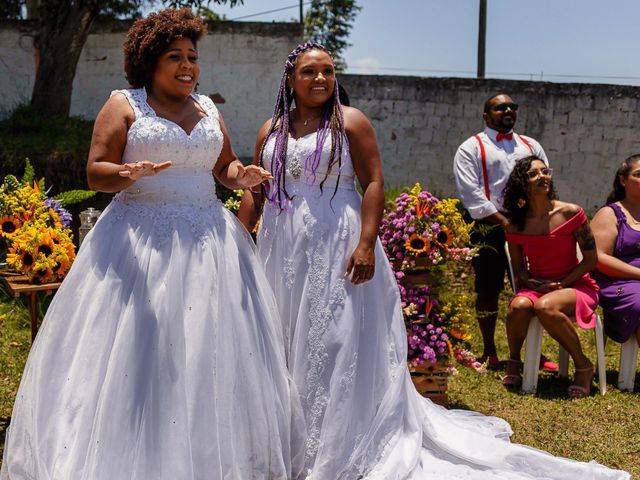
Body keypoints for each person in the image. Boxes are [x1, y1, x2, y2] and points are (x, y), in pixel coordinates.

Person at [239, 41, 630, 479]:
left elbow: (372, 183)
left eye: (328, 71)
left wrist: (367, 243)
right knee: (286, 335)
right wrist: (239, 237)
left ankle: (339, 437)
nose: (320, 80)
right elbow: (258, 189)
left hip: (337, 240)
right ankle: (290, 433)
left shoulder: (350, 122)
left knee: (335, 337)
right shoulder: (270, 128)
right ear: (290, 79)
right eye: (310, 72)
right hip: (282, 246)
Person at [1, 9, 302, 479]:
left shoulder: (208, 109)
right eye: (174, 57)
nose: (187, 66)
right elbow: (94, 170)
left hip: (210, 245)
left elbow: (223, 167)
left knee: (208, 353)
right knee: (141, 352)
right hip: (138, 244)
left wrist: (241, 176)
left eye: (192, 58)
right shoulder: (124, 104)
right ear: (150, 61)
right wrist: (124, 174)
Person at [453, 94, 557, 371]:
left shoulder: (531, 145)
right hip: (488, 225)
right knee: (488, 287)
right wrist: (502, 222)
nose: (508, 110)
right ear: (486, 116)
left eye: (512, 106)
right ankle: (489, 350)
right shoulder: (471, 148)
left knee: (529, 287)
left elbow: (545, 178)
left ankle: (532, 352)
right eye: (500, 107)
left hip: (528, 223)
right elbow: (470, 193)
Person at [502, 156, 599, 397]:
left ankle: (584, 366)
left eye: (545, 171)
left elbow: (591, 260)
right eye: (533, 174)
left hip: (575, 285)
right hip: (537, 286)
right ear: (521, 184)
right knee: (519, 307)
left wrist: (561, 284)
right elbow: (518, 270)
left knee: (545, 307)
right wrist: (531, 282)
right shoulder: (515, 224)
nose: (542, 176)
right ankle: (515, 361)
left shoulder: (570, 212)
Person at [591, 154, 640, 346]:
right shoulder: (610, 214)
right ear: (623, 180)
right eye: (639, 174)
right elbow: (599, 258)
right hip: (617, 282)